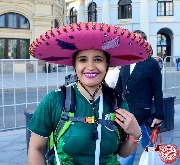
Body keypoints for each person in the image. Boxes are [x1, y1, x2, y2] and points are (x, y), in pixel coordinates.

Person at [28, 22, 153, 165]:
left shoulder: (118, 103)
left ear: (107, 65)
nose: (91, 67)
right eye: (83, 60)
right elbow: (35, 148)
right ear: (74, 64)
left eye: (98, 59)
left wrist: (135, 135)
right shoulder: (54, 100)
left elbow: (122, 152)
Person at [118, 30, 164, 165]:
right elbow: (119, 86)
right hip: (127, 107)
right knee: (141, 134)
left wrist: (159, 113)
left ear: (144, 44)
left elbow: (157, 90)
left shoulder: (151, 64)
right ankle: (153, 154)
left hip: (142, 109)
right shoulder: (125, 62)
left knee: (131, 139)